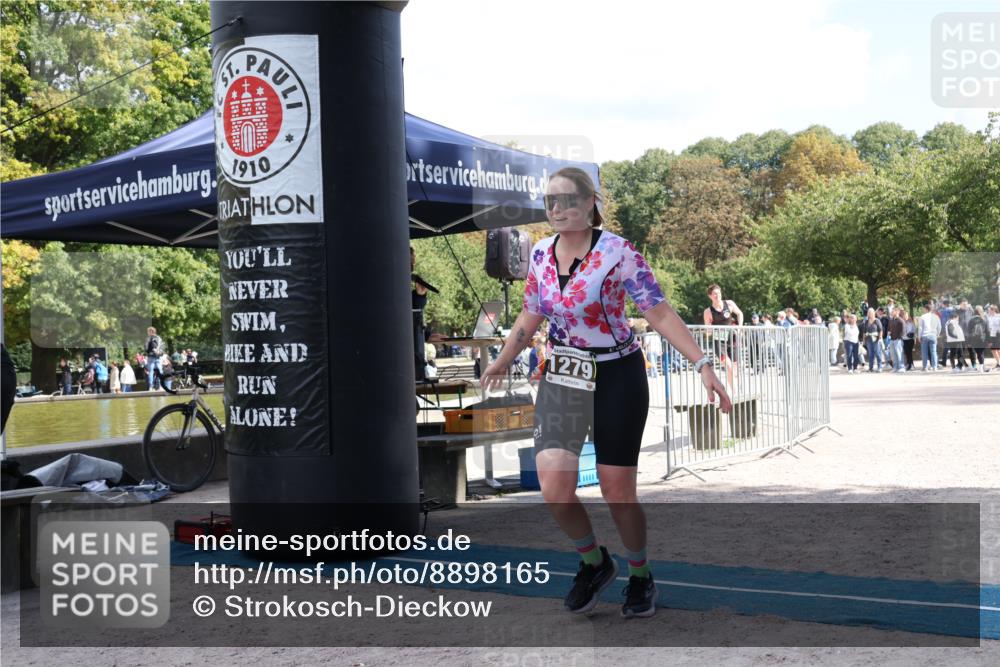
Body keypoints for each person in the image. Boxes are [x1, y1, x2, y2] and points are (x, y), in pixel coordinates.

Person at [480, 167, 732, 619]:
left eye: (567, 200)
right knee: (555, 487)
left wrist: (702, 363)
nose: (557, 209)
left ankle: (640, 574)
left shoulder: (619, 252)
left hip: (617, 372)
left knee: (617, 491)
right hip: (563, 373)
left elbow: (658, 311)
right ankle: (594, 563)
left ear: (590, 203)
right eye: (550, 202)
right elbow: (530, 315)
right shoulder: (538, 255)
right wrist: (501, 358)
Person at [702, 284, 743, 391]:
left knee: (734, 369)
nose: (717, 295)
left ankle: (735, 389)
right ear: (710, 296)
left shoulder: (729, 303)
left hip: (732, 339)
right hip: (719, 342)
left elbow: (739, 313)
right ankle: (734, 392)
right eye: (715, 294)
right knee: (728, 366)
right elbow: (708, 331)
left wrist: (739, 327)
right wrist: (708, 331)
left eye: (719, 293)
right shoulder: (708, 312)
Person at [917, 302, 941, 371]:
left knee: (924, 352)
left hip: (925, 336)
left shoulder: (922, 317)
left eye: (923, 309)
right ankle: (935, 366)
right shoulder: (936, 316)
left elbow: (920, 328)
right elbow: (939, 327)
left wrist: (919, 336)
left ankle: (925, 367)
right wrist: (937, 334)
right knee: (933, 352)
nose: (923, 310)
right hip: (933, 335)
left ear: (926, 309)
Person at [967, 306, 989, 372]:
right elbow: (987, 330)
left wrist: (968, 342)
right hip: (982, 338)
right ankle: (982, 367)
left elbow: (969, 331)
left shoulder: (971, 320)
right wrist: (988, 340)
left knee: (977, 353)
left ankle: (979, 366)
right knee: (981, 353)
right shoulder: (984, 318)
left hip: (974, 339)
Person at [861, 308, 883, 372]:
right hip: (868, 340)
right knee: (870, 354)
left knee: (878, 353)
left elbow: (880, 330)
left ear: (873, 313)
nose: (869, 314)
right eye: (869, 313)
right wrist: (864, 340)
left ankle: (880, 367)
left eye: (871, 313)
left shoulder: (877, 321)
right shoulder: (866, 321)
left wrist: (880, 338)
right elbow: (864, 332)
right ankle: (871, 368)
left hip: (876, 339)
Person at [888, 308, 905, 372]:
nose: (891, 313)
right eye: (891, 311)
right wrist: (889, 332)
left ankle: (901, 367)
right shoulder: (891, 320)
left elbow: (903, 331)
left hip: (898, 340)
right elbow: (889, 328)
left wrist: (899, 337)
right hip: (892, 339)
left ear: (897, 312)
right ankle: (895, 367)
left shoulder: (900, 320)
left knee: (899, 353)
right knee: (893, 354)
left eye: (893, 311)